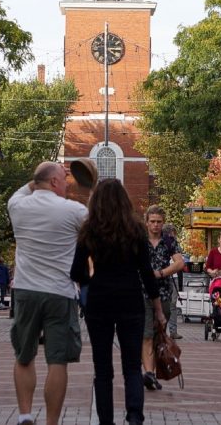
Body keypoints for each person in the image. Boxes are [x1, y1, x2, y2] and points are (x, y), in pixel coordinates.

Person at [70, 178, 164, 425]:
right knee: (132, 366)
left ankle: (106, 421)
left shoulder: (89, 230)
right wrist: (157, 307)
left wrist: (93, 278)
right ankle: (134, 417)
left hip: (99, 302)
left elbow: (76, 272)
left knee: (102, 369)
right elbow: (146, 271)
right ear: (124, 201)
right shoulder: (135, 230)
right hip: (130, 301)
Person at [7, 161, 89, 425]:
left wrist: (44, 174)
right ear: (54, 182)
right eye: (64, 180)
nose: (66, 184)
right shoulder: (73, 210)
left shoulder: (16, 205)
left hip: (25, 289)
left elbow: (29, 186)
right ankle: (51, 421)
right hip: (59, 292)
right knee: (57, 360)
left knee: (24, 355)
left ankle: (25, 414)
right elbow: (95, 231)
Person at [140, 205, 184, 390]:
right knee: (146, 335)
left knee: (159, 333)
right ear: (146, 222)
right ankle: (149, 373)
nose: (156, 225)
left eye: (159, 222)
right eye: (152, 222)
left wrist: (160, 273)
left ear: (163, 222)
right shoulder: (139, 241)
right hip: (141, 293)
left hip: (164, 292)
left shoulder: (169, 242)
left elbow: (180, 262)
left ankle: (156, 372)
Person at [162, 223, 183, 339]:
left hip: (173, 277)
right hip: (164, 277)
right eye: (173, 234)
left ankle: (173, 331)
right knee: (164, 305)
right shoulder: (162, 244)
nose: (174, 237)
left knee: (172, 304)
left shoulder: (175, 245)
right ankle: (162, 331)